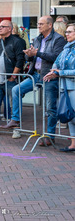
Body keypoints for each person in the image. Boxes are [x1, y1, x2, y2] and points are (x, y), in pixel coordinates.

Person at [1, 16, 66, 145]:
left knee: (50, 108)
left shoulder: (58, 39)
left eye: (41, 24)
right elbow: (31, 57)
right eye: (38, 23)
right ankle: (15, 120)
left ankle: (50, 136)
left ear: (49, 25)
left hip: (49, 75)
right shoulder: (37, 39)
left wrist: (37, 54)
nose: (39, 26)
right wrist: (28, 54)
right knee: (16, 89)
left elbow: (56, 58)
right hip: (35, 74)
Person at [0, 20, 25, 137]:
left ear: (10, 29)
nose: (0, 28)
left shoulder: (17, 42)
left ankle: (17, 128)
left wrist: (13, 76)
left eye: (3, 26)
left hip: (10, 80)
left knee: (14, 104)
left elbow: (20, 61)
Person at [43, 23, 75, 152]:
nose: (66, 34)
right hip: (65, 87)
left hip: (73, 87)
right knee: (70, 117)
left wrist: (60, 73)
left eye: (69, 32)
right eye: (66, 32)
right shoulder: (66, 48)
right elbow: (56, 62)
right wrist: (53, 72)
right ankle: (73, 144)